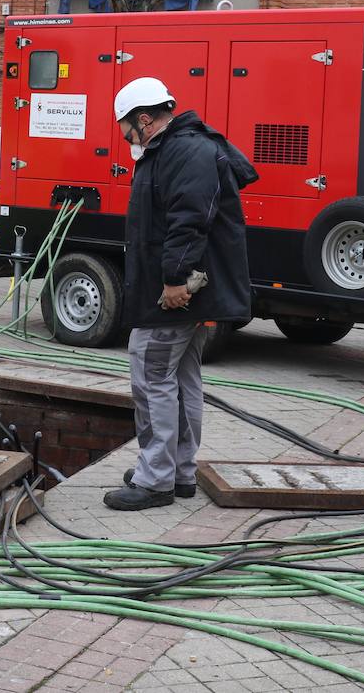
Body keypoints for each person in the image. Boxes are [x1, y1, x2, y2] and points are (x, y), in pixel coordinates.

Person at [103, 77, 258, 511]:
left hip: (174, 294)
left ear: (145, 120)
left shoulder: (185, 152)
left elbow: (189, 222)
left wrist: (174, 281)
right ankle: (179, 471)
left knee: (151, 377)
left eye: (126, 130)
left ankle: (155, 481)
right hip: (186, 293)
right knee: (182, 380)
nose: (126, 140)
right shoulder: (178, 150)